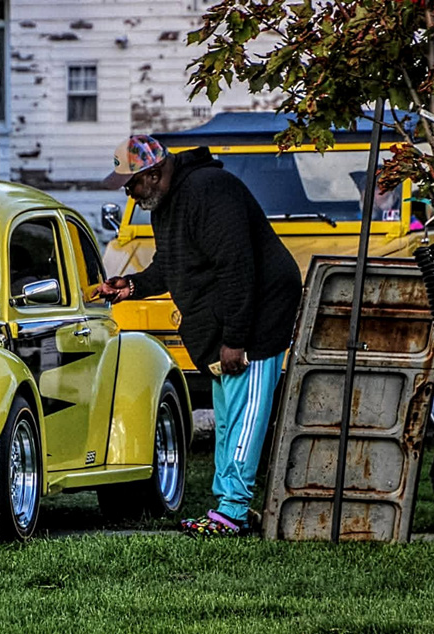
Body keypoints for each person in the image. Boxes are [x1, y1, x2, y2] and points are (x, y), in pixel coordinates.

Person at [95, 135, 302, 537]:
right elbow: (172, 265)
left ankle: (232, 512)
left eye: (131, 184)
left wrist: (236, 340)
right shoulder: (167, 203)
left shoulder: (210, 190)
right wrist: (132, 286)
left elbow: (237, 267)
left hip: (259, 317)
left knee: (245, 418)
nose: (129, 194)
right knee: (227, 419)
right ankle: (228, 507)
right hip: (228, 320)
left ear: (153, 173)